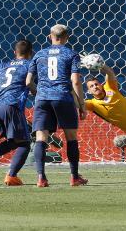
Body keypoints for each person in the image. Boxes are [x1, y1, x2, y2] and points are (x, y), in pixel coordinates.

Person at [26, 24, 88, 187]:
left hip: (42, 99)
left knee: (41, 138)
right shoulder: (72, 54)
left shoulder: (39, 54)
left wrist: (37, 92)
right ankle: (74, 177)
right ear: (67, 37)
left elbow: (28, 82)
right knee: (71, 137)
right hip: (63, 97)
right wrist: (82, 104)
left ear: (50, 36)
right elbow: (75, 80)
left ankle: (41, 178)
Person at [0, 40, 34, 186]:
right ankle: (11, 176)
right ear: (31, 53)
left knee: (14, 140)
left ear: (14, 53)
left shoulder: (2, 65)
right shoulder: (30, 65)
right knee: (25, 144)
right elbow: (30, 83)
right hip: (11, 106)